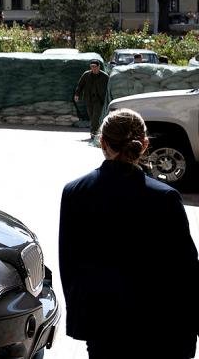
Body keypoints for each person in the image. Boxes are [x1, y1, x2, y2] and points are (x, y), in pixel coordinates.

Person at [59, 109, 199, 358]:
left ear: (102, 142)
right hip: (157, 326)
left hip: (101, 324)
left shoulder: (75, 192)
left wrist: (82, 317)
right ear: (144, 145)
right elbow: (185, 271)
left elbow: (70, 265)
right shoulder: (164, 197)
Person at [73, 59, 109, 143]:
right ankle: (95, 132)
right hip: (89, 99)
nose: (93, 68)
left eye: (95, 67)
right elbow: (80, 85)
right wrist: (77, 94)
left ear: (99, 67)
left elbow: (109, 87)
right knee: (91, 116)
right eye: (92, 67)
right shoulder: (86, 75)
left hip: (99, 100)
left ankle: (94, 133)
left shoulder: (105, 76)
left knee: (95, 116)